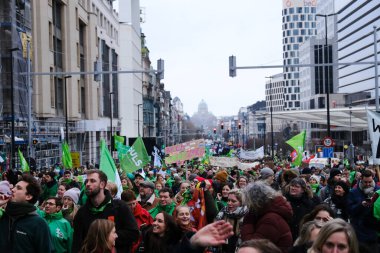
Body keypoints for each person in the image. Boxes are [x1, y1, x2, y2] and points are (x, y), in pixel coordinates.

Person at [72, 169, 139, 253]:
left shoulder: (120, 207)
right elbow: (77, 243)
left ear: (102, 184)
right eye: (87, 181)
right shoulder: (82, 212)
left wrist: (108, 238)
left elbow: (133, 233)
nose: (88, 184)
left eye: (92, 181)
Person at [0, 174, 53, 252]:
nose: (12, 189)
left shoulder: (38, 224)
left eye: (19, 188)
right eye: (14, 186)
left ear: (28, 196)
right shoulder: (4, 216)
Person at [140, 211, 234, 253]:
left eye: (160, 221)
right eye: (155, 220)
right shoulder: (146, 237)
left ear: (168, 227)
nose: (155, 223)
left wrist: (194, 242)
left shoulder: (176, 241)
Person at [241, 181, 293, 253]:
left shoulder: (270, 219)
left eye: (248, 202)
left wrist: (248, 221)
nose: (247, 205)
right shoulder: (268, 213)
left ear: (254, 201)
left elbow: (251, 247)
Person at [347, 169, 380, 251]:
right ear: (361, 179)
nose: (368, 184)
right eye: (365, 182)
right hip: (359, 233)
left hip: (374, 233)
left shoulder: (378, 191)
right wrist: (360, 205)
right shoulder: (353, 192)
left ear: (373, 178)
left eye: (370, 182)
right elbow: (350, 210)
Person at [215, 189, 248, 253]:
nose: (229, 203)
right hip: (223, 247)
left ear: (241, 203)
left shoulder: (247, 216)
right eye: (228, 200)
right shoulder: (223, 212)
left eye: (233, 201)